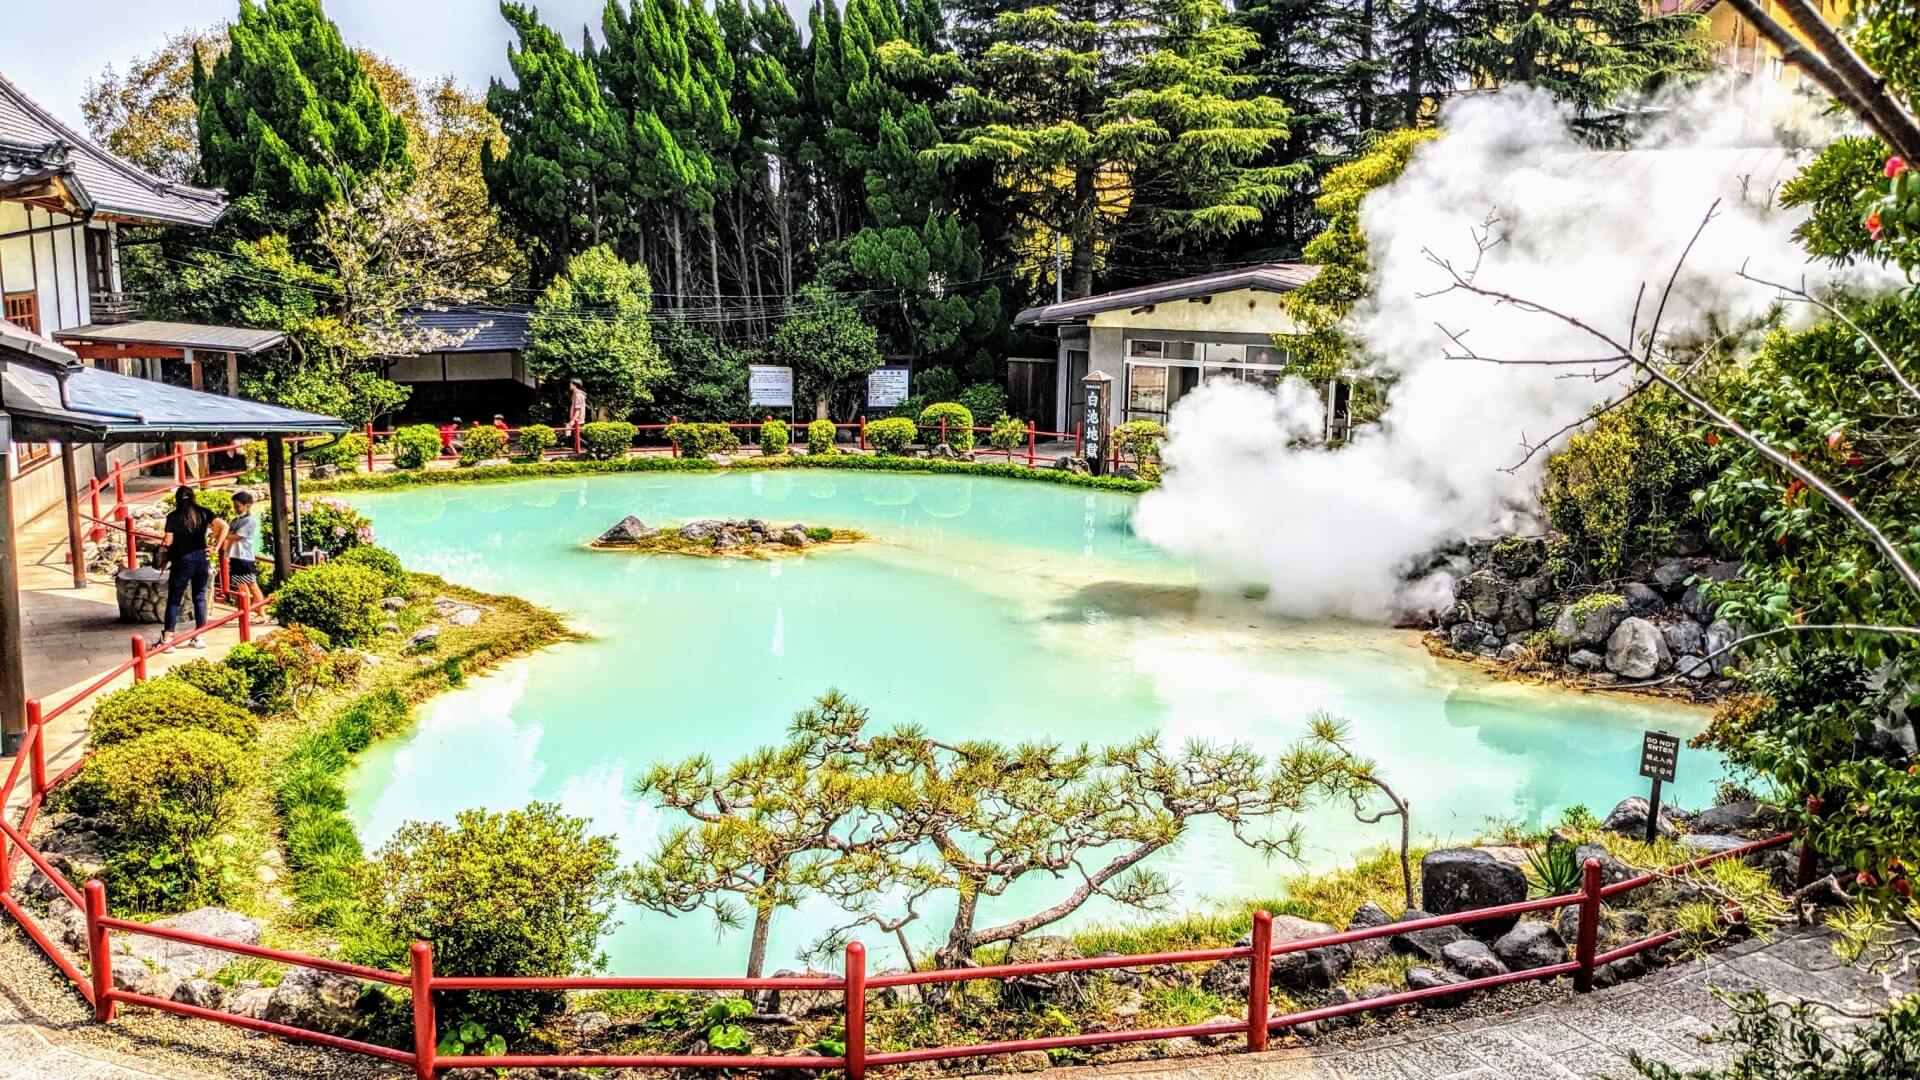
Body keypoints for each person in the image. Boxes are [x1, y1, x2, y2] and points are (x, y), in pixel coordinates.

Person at [154, 486, 217, 650]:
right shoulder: (203, 512)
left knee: (174, 600)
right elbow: (223, 526)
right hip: (202, 559)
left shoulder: (173, 517)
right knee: (200, 597)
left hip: (181, 561)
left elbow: (168, 541)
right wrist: (215, 547)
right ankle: (198, 636)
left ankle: (167, 639)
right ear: (193, 497)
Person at [222, 490, 267, 621]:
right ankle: (245, 612)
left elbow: (237, 536)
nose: (235, 509)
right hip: (235, 556)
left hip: (244, 557)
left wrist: (222, 535)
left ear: (247, 505)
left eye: (237, 506)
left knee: (252, 584)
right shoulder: (236, 520)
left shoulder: (249, 521)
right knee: (242, 586)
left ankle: (261, 613)